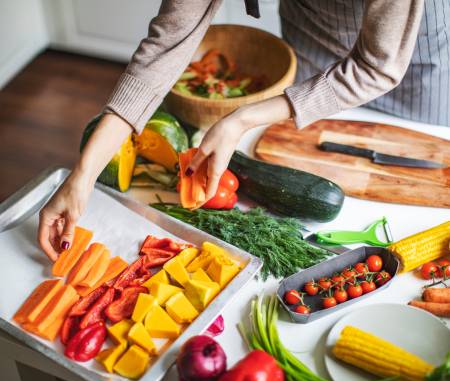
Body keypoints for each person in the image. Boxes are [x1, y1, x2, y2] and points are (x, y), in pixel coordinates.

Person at [38, 0, 449, 260]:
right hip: (313, 26)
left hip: (413, 54)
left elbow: (378, 66)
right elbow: (164, 50)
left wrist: (243, 118)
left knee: (416, 177)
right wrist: (82, 176)